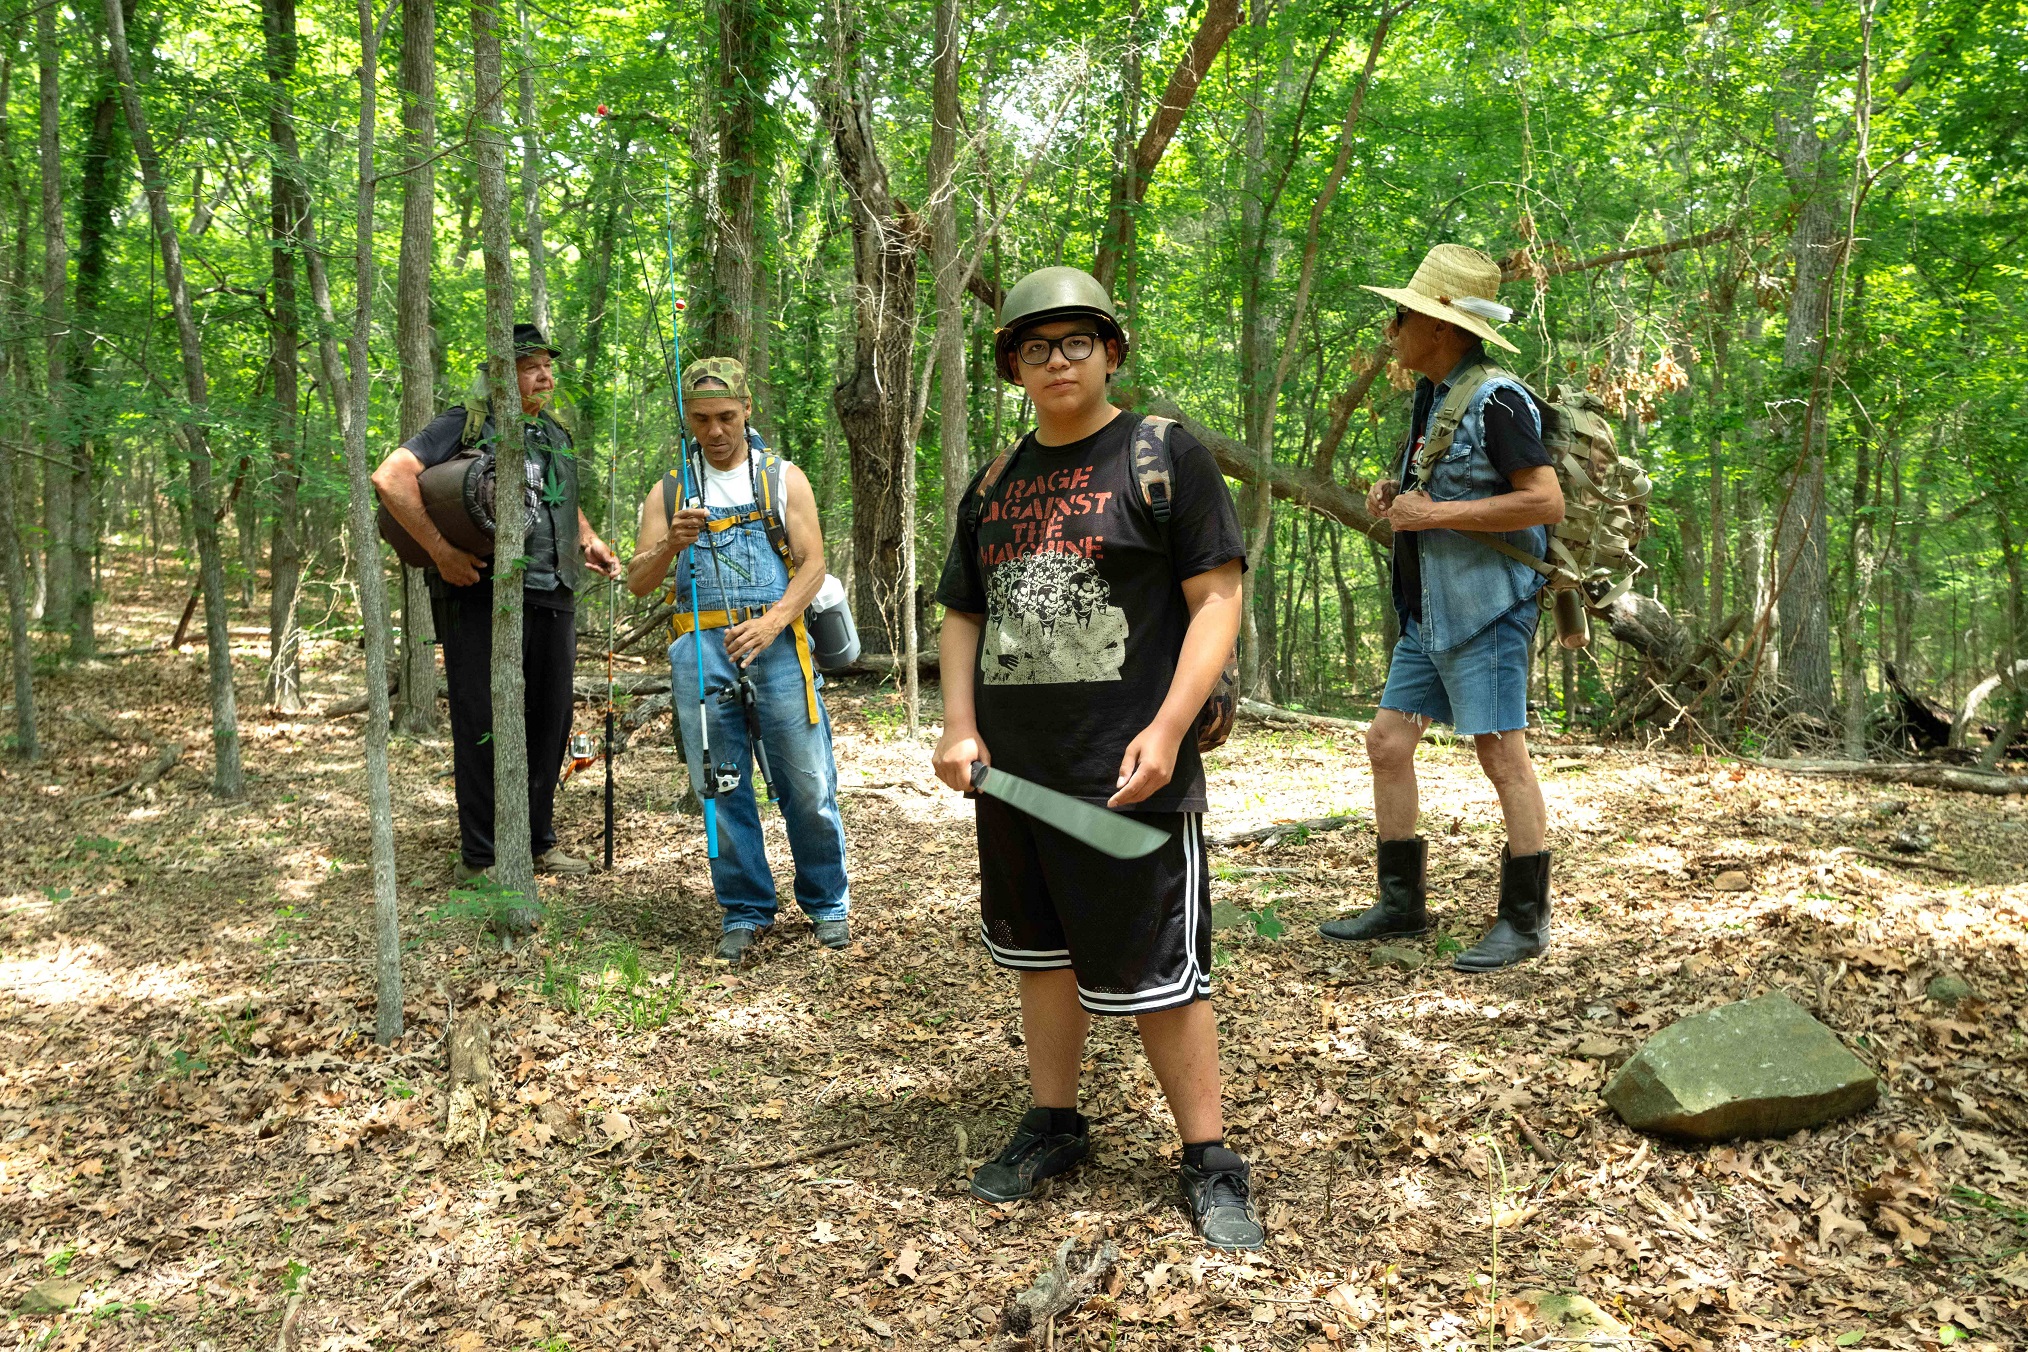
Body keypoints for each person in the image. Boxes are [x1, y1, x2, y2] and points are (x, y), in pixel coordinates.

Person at [932, 267, 1261, 1251]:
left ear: (1111, 351)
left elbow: (1217, 596)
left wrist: (1167, 727)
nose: (1057, 360)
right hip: (1015, 771)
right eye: (1036, 347)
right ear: (1013, 367)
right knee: (1041, 954)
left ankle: (1207, 1155)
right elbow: (962, 611)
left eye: (1076, 341)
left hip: (1130, 769)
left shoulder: (1163, 455)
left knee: (1164, 968)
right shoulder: (994, 482)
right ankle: (1055, 1120)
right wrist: (958, 724)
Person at [1318, 244, 1566, 971]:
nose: (1394, 329)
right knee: (1388, 743)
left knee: (1501, 755)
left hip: (1488, 608)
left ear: (1445, 328)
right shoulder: (1435, 398)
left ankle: (1525, 921)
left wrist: (1436, 518)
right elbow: (1438, 498)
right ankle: (1402, 906)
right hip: (1431, 611)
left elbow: (1543, 499)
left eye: (1407, 316)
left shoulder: (1497, 398)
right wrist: (1397, 504)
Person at [371, 323, 621, 887]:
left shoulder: (554, 432)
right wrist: (440, 553)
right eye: (530, 365)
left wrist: (589, 539)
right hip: (482, 592)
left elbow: (559, 500)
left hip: (554, 589)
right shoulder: (465, 423)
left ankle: (536, 843)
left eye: (546, 365)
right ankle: (481, 858)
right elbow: (390, 477)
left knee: (550, 723)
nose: (544, 374)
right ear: (501, 373)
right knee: (483, 721)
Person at [627, 357, 851, 966]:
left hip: (777, 644)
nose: (715, 431)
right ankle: (745, 910)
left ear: (747, 411)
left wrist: (776, 619)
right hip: (699, 650)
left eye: (726, 416)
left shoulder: (783, 480)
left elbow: (813, 564)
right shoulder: (670, 490)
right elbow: (638, 582)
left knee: (806, 781)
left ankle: (827, 902)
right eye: (701, 419)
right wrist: (670, 544)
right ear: (688, 420)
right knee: (720, 784)